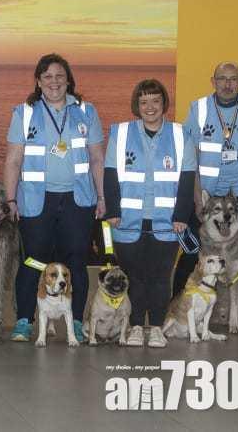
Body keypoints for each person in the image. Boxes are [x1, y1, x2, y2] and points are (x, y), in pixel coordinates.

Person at [4, 53, 104, 344]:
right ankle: (24, 320)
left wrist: (101, 196)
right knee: (33, 262)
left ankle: (75, 321)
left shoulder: (87, 111)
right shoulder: (24, 112)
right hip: (36, 201)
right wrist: (11, 200)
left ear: (69, 80)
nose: (54, 82)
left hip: (78, 200)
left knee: (75, 262)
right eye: (47, 76)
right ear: (38, 81)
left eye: (60, 76)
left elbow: (97, 158)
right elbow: (13, 160)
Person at [177, 62, 238, 333]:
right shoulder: (199, 109)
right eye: (222, 79)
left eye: (233, 79)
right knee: (193, 256)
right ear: (212, 81)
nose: (227, 84)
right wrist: (196, 198)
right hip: (208, 196)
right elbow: (189, 156)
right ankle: (175, 309)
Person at [104, 79, 195, 347]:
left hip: (167, 223)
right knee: (133, 277)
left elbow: (187, 179)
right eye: (144, 102)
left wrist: (181, 216)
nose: (150, 107)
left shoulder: (181, 135)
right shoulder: (120, 134)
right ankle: (133, 326)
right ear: (137, 105)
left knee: (159, 276)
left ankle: (155, 326)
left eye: (155, 100)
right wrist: (113, 209)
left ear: (164, 103)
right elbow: (110, 175)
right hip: (127, 222)